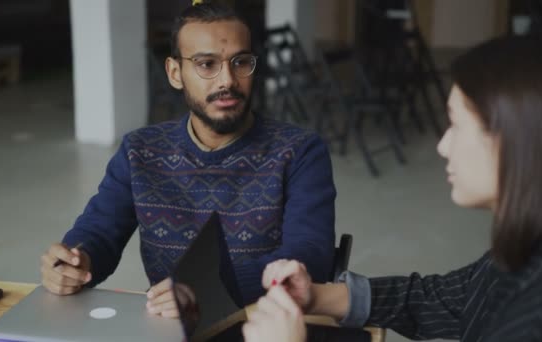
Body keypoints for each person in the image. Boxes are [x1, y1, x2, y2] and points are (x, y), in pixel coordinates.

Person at [243, 34, 542, 342]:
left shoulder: (540, 316)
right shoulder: (528, 247)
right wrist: (318, 296)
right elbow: (443, 300)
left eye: (457, 125)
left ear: (518, 143)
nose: (442, 146)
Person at [39, 1, 336, 318]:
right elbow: (100, 231)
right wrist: (77, 260)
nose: (228, 81)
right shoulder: (140, 151)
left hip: (270, 326)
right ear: (175, 72)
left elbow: (309, 258)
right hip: (172, 327)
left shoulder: (300, 151)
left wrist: (205, 290)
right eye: (207, 64)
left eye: (240, 62)